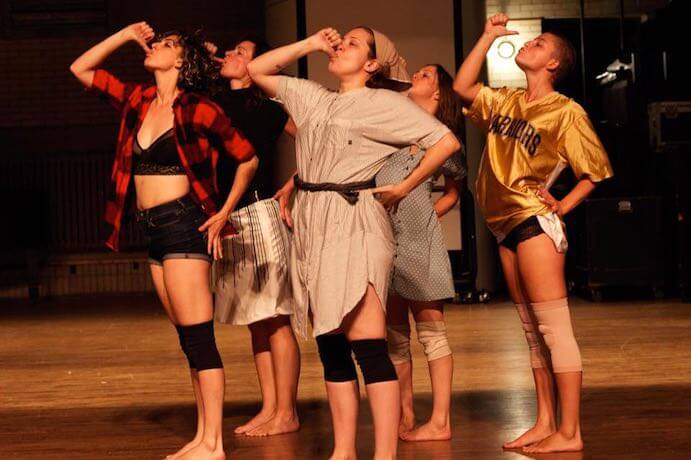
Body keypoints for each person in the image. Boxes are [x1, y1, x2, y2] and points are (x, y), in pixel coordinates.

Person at [248, 26, 460, 459]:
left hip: (356, 218)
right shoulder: (314, 97)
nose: (341, 43)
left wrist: (406, 185)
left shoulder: (384, 103)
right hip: (314, 224)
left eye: (354, 42)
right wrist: (311, 44)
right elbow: (256, 69)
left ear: (372, 64)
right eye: (340, 38)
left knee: (367, 342)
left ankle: (383, 454)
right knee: (330, 343)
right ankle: (343, 451)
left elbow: (445, 141)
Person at [70, 22, 256, 460]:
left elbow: (248, 158)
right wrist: (121, 36)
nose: (155, 46)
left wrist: (223, 212)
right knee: (186, 339)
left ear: (181, 61)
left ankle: (214, 445)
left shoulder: (199, 108)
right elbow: (79, 68)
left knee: (199, 338)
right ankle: (202, 436)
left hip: (184, 224)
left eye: (166, 45)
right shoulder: (139, 100)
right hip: (151, 229)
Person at [454, 13, 613, 453]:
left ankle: (570, 431)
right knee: (531, 331)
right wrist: (487, 36)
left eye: (540, 44)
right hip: (502, 221)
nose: (530, 45)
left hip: (532, 220)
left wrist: (563, 204)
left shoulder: (566, 111)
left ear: (554, 65)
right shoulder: (506, 99)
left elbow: (594, 172)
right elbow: (463, 88)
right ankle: (545, 421)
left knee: (554, 330)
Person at [206, 36, 301, 437]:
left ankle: (288, 411)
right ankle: (269, 406)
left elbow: (320, 140)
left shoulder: (268, 108)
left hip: (259, 214)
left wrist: (296, 182)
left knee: (275, 318)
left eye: (242, 52)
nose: (232, 54)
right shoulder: (214, 103)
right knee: (254, 321)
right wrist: (210, 54)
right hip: (227, 221)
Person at [376, 63, 466, 442]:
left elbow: (454, 191)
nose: (417, 75)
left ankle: (441, 421)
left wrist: (427, 217)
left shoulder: (439, 138)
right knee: (395, 338)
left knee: (431, 335)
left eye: (426, 75)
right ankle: (405, 413)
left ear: (438, 94)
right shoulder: (396, 132)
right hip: (387, 242)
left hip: (420, 244)